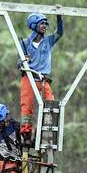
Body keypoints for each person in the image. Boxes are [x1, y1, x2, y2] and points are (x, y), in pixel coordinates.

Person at [19, 12, 64, 143]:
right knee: (27, 106)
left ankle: (47, 129)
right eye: (42, 23)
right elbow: (19, 62)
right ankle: (26, 134)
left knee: (50, 102)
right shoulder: (25, 43)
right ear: (34, 25)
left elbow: (59, 33)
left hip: (43, 79)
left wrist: (59, 18)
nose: (45, 26)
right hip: (29, 78)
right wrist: (22, 61)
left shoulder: (48, 41)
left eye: (45, 23)